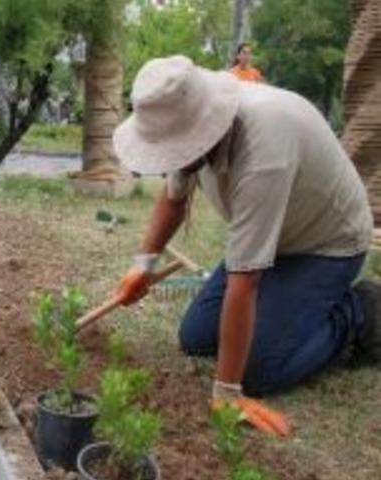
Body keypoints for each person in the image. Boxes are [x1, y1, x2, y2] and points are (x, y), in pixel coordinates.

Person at [110, 55, 378, 437]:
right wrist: (143, 264)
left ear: (200, 132)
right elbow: (173, 200)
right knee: (197, 338)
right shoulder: (191, 120)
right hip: (279, 237)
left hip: (325, 245)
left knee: (258, 369)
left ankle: (358, 312)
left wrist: (227, 393)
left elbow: (246, 280)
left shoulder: (263, 151)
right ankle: (291, 303)